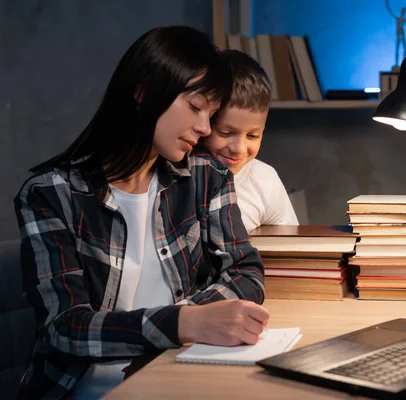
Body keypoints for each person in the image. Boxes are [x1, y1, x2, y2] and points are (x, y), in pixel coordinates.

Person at [14, 26, 269, 399]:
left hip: (178, 376)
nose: (203, 128)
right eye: (196, 107)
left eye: (211, 114)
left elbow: (247, 271)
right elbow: (64, 329)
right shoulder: (50, 194)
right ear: (143, 91)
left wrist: (194, 320)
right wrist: (183, 323)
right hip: (83, 389)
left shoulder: (206, 177)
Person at [202, 50, 299, 233]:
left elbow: (288, 249)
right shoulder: (182, 174)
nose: (239, 149)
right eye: (225, 132)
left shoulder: (265, 181)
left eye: (253, 136)